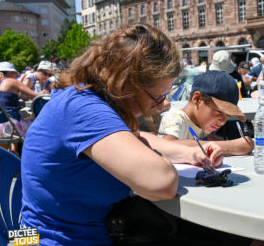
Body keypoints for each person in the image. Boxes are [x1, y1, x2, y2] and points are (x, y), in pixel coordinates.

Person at [20, 24, 224, 245]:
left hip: (40, 230)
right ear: (126, 84)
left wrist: (189, 152)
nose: (160, 104)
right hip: (50, 239)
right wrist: (157, 156)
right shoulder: (85, 111)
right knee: (226, 237)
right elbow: (162, 183)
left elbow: (134, 137)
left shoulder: (79, 95)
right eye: (157, 96)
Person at [159, 70, 254, 156]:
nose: (223, 120)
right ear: (197, 99)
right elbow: (167, 146)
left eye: (227, 115)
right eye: (219, 111)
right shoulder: (175, 118)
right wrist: (230, 146)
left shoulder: (202, 123)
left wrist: (209, 139)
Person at [0, 62, 38, 152]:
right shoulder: (12, 81)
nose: (16, 75)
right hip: (9, 127)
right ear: (9, 72)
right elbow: (36, 97)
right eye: (15, 73)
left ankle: (14, 150)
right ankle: (32, 155)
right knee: (38, 125)